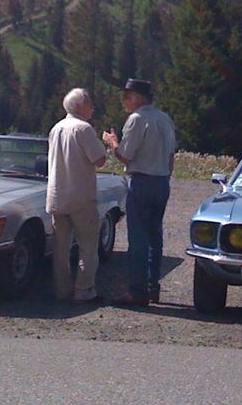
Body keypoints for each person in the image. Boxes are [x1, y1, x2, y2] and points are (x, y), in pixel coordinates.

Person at [103, 78, 176, 306]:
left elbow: (125, 155)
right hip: (162, 181)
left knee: (138, 239)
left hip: (142, 181)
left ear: (135, 97)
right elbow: (172, 155)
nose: (124, 101)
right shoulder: (165, 118)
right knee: (155, 236)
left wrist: (112, 142)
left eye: (126, 96)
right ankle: (153, 286)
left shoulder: (136, 119)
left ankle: (137, 291)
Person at [46, 88, 108, 304]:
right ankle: (84, 290)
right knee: (88, 246)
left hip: (57, 195)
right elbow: (99, 159)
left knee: (60, 248)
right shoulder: (84, 129)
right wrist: (109, 143)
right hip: (81, 195)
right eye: (89, 102)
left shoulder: (56, 128)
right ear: (80, 106)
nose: (92, 107)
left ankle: (61, 290)